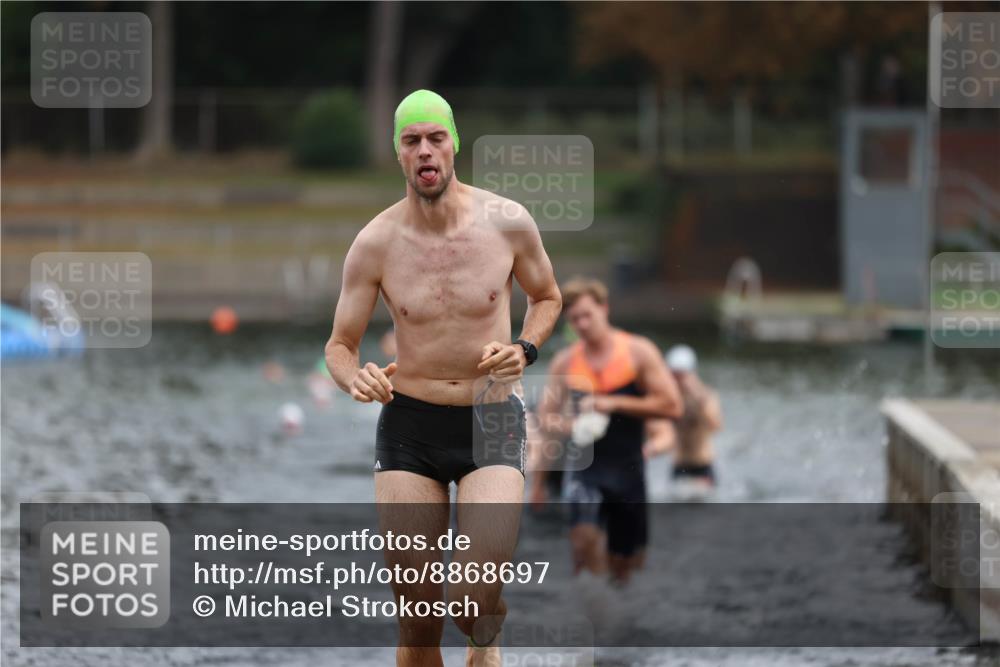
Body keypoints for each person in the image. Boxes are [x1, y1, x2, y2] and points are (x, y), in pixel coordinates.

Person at [325, 90, 561, 667]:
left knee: (475, 601)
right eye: (412, 141)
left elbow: (548, 296)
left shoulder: (507, 223)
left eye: (436, 138)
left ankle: (486, 642)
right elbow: (340, 346)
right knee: (419, 618)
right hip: (410, 426)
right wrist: (355, 379)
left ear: (455, 144)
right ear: (398, 154)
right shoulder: (374, 243)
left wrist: (524, 348)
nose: (425, 151)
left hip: (493, 417)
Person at [534, 277, 680, 586]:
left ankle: (613, 612)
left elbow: (671, 407)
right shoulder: (566, 361)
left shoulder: (638, 352)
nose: (583, 324)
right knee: (583, 539)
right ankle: (590, 604)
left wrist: (612, 403)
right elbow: (545, 420)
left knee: (625, 564)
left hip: (628, 469)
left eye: (588, 315)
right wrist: (571, 428)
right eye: (575, 319)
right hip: (586, 468)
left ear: (605, 309)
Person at [645, 345, 722, 499]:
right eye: (674, 375)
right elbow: (655, 429)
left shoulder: (707, 396)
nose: (677, 380)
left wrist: (697, 395)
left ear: (691, 373)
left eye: (681, 375)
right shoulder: (669, 400)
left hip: (703, 466)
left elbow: (716, 426)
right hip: (679, 467)